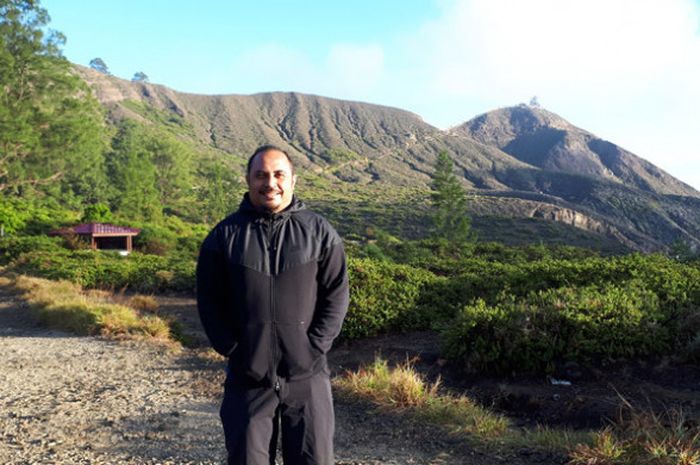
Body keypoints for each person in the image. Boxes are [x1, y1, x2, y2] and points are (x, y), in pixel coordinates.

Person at [196, 145, 349, 465]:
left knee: (314, 459)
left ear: (293, 179)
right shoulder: (223, 236)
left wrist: (315, 346)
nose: (270, 183)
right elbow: (209, 300)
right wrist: (233, 348)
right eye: (261, 175)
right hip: (248, 378)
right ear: (248, 180)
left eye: (279, 174)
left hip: (307, 376)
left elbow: (336, 294)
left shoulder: (320, 232)